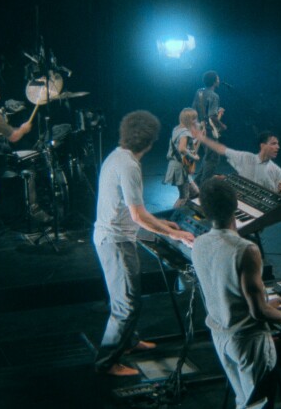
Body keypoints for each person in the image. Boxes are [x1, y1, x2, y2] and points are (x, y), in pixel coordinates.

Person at [191, 178, 281, 409]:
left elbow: (225, 290)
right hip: (248, 341)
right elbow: (259, 313)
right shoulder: (246, 249)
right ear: (235, 206)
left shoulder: (199, 243)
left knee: (243, 402)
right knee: (259, 405)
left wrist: (268, 300)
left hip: (220, 336)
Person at [93, 110, 195, 377]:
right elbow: (138, 215)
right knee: (126, 303)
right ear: (150, 141)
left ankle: (129, 341)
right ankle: (106, 362)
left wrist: (163, 226)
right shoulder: (128, 166)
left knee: (128, 297)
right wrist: (173, 234)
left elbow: (135, 210)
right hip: (115, 241)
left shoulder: (118, 156)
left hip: (118, 236)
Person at [192, 129, 281, 195]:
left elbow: (276, 197)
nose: (278, 147)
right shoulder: (246, 157)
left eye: (278, 144)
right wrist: (202, 138)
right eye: (273, 144)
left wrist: (280, 191)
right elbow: (221, 149)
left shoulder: (277, 171)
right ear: (262, 145)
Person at [192, 70, 226, 186]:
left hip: (199, 128)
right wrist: (222, 125)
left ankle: (195, 186)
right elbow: (212, 116)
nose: (219, 80)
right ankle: (204, 187)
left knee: (208, 157)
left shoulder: (199, 92)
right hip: (209, 131)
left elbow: (194, 110)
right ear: (214, 81)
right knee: (213, 158)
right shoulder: (214, 96)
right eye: (217, 78)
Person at [163, 108, 200, 209]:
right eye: (195, 119)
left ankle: (189, 216)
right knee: (184, 198)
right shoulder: (185, 133)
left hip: (178, 165)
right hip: (180, 167)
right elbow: (182, 149)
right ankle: (172, 218)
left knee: (196, 193)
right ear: (190, 120)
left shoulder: (177, 129)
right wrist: (194, 157)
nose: (196, 121)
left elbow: (184, 145)